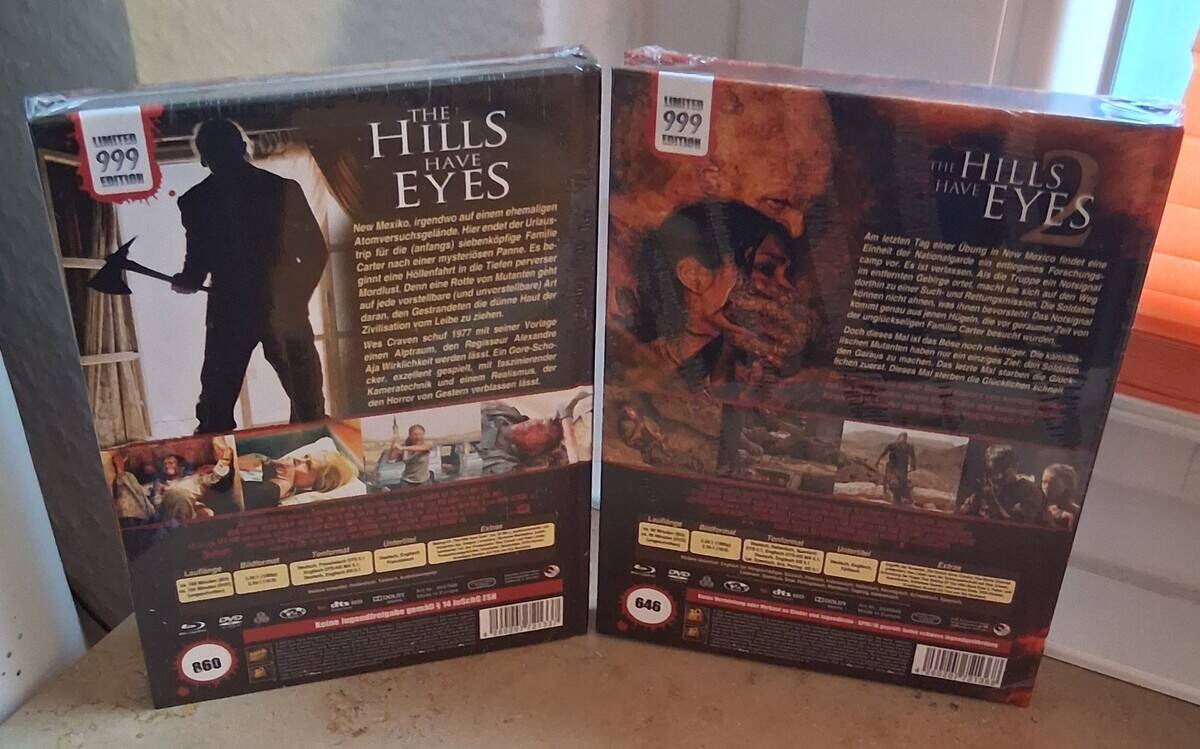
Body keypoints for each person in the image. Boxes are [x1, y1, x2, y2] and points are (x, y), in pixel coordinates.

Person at [172, 117, 329, 434]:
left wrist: (185, 281)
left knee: (217, 411)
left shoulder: (196, 201)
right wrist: (293, 300)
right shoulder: (281, 189)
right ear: (242, 148)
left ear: (203, 158)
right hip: (269, 311)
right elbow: (315, 252)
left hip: (237, 311)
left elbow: (196, 270)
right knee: (306, 405)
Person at [614, 202, 794, 395]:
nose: (786, 287)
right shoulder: (631, 371)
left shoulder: (765, 370)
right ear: (693, 276)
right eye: (765, 269)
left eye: (787, 273)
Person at [238, 449, 359, 510]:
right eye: (305, 457)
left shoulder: (280, 502)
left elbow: (237, 502)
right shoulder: (259, 460)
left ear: (310, 487)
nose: (297, 459)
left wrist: (283, 484)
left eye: (307, 465)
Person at [957, 444, 1045, 523]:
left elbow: (1014, 525)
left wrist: (992, 501)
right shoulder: (987, 487)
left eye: (1004, 470)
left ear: (1015, 466)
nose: (999, 476)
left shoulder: (1030, 492)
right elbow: (962, 516)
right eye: (994, 471)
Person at [376, 424, 434, 489]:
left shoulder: (427, 444)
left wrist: (402, 448)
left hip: (424, 482)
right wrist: (392, 446)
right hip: (407, 482)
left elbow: (421, 448)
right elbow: (390, 459)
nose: (418, 437)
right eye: (415, 434)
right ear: (410, 435)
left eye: (421, 434)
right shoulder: (404, 447)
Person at [876, 432, 917, 504]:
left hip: (902, 467)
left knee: (902, 482)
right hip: (892, 466)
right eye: (902, 437)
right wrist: (878, 461)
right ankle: (886, 493)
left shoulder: (909, 446)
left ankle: (900, 498)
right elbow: (884, 453)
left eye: (904, 438)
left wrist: (913, 466)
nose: (903, 439)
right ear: (898, 438)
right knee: (890, 480)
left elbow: (913, 457)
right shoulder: (893, 445)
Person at [1042, 463, 1081, 530]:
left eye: (1053, 483)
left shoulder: (1077, 513)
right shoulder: (1037, 507)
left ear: (1068, 485)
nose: (1047, 486)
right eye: (1044, 482)